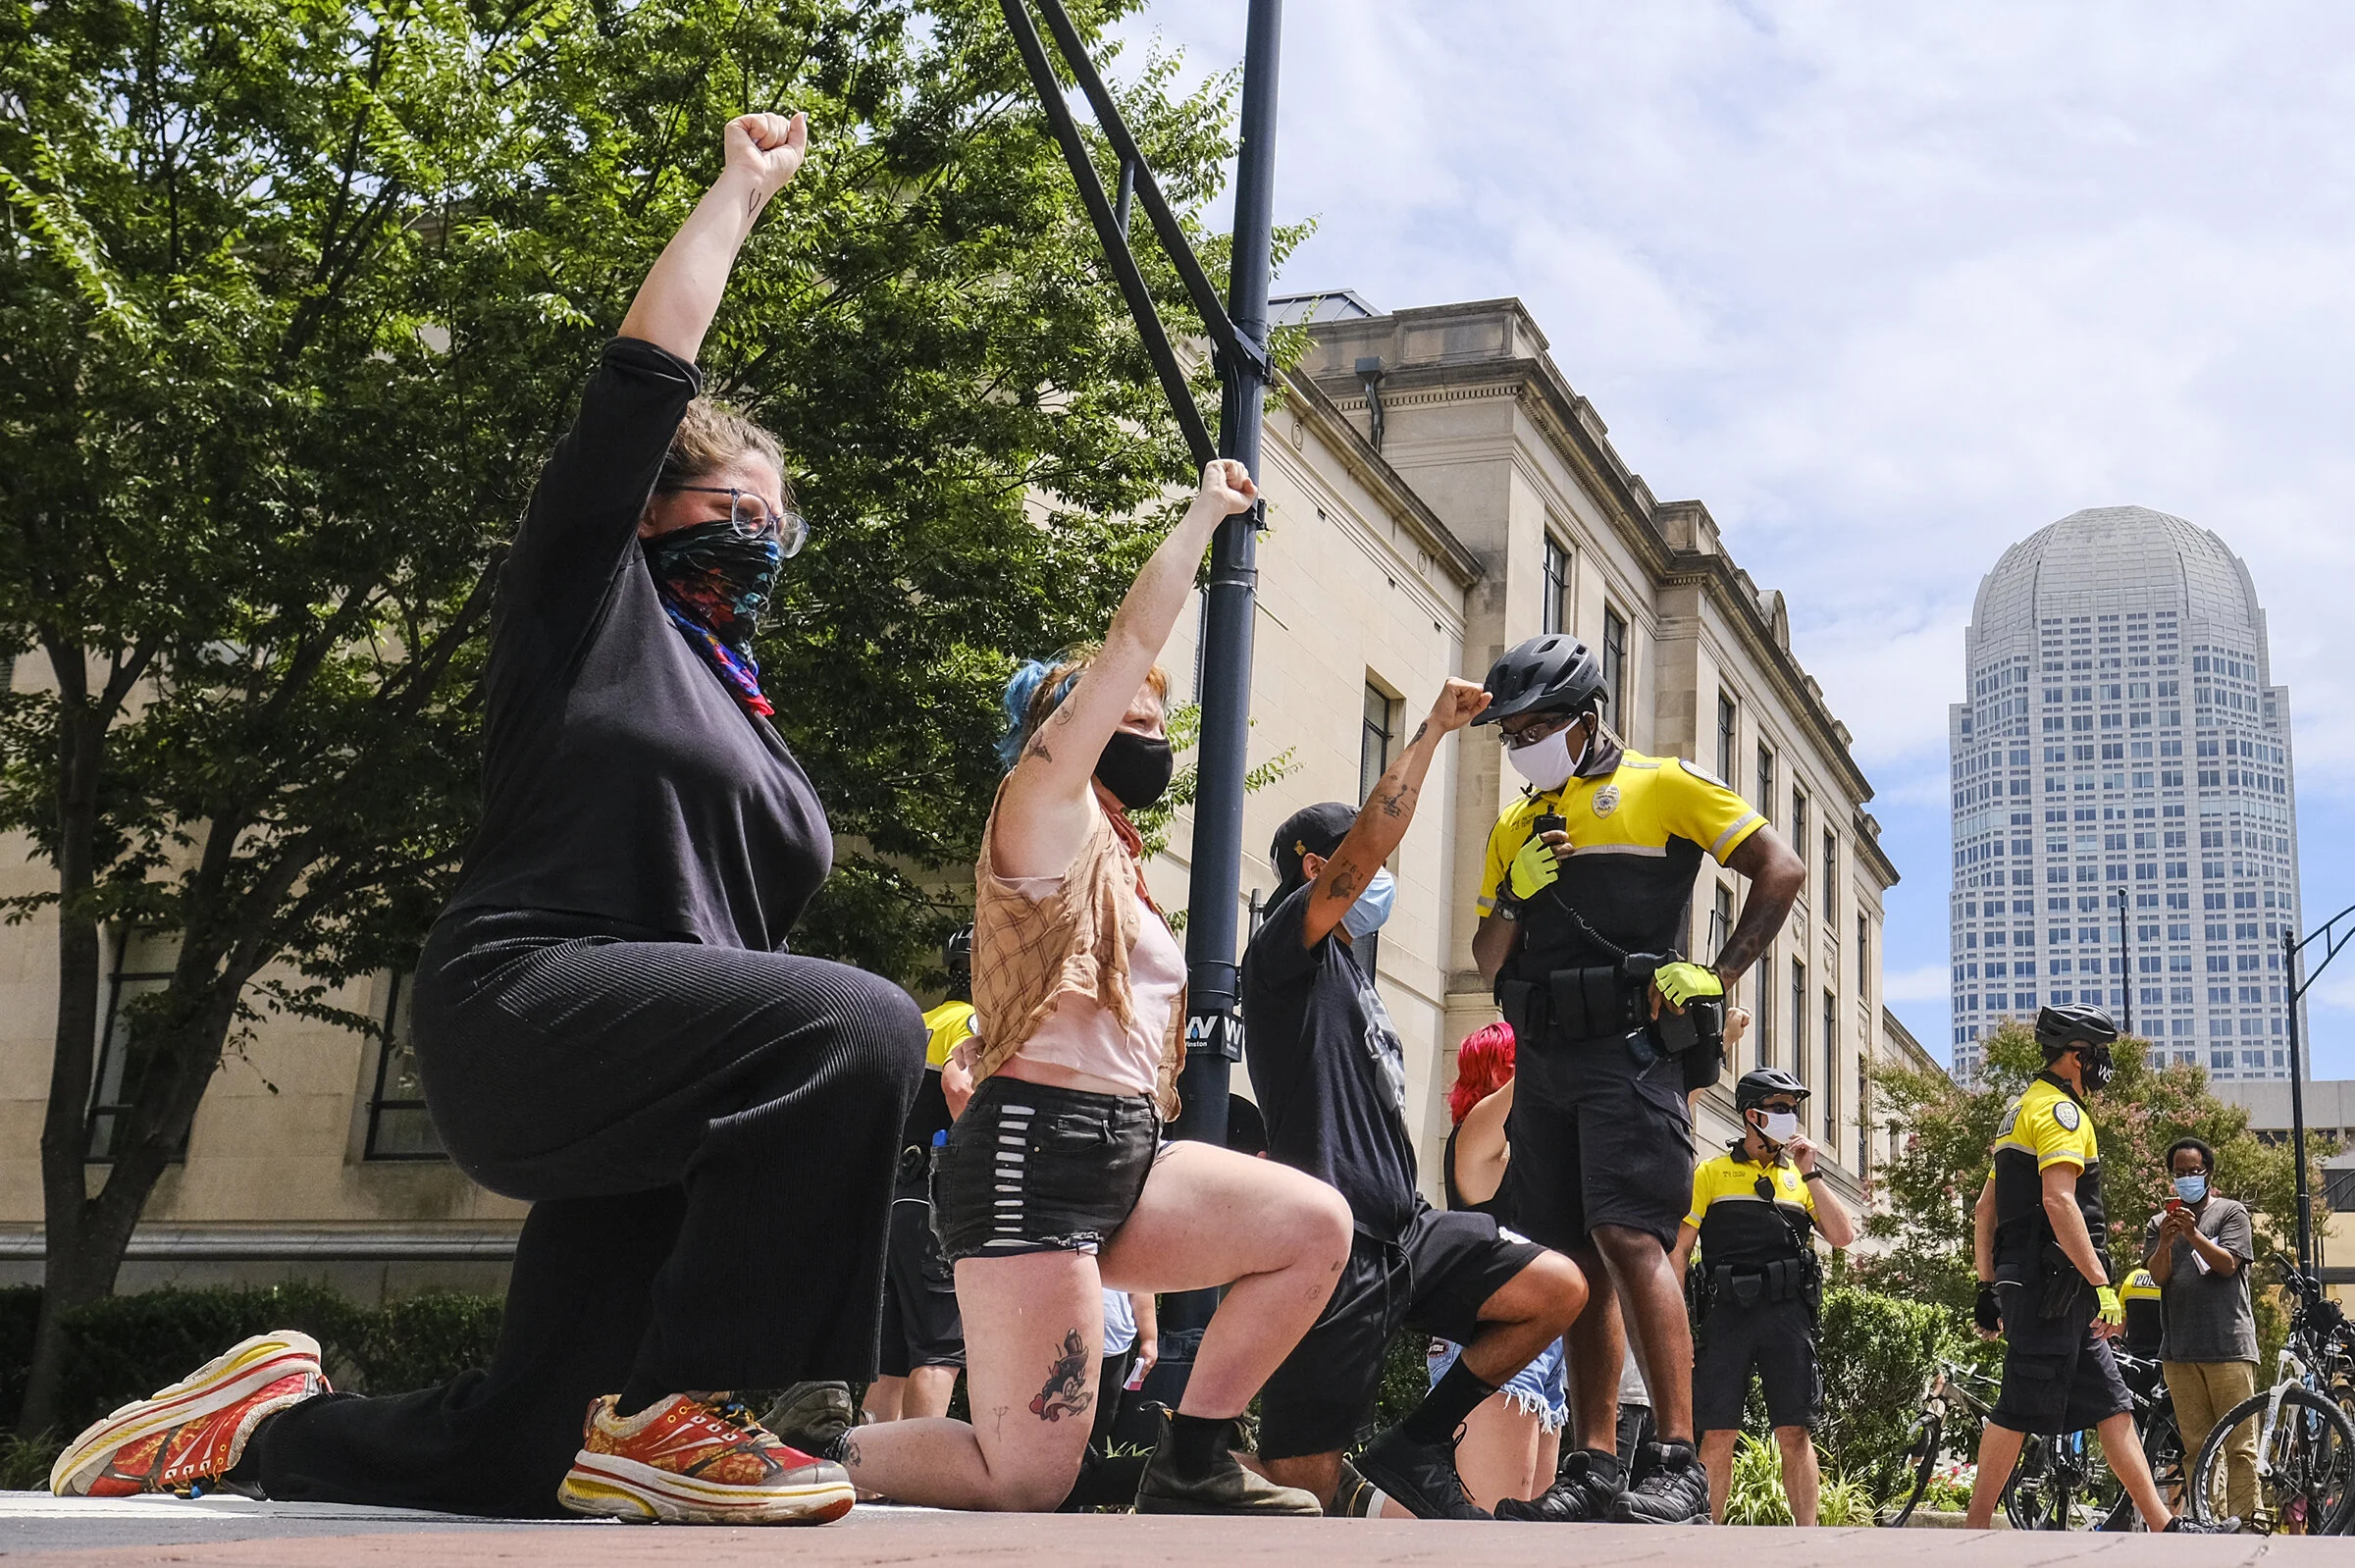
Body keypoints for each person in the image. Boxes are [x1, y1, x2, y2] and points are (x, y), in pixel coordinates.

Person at [49, 113, 931, 1526]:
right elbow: (642, 379)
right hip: (529, 1004)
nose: (765, 542)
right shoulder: (584, 607)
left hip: (665, 1083)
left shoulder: (753, 724)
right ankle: (696, 1404)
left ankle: (268, 1420)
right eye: (737, 509)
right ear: (648, 513)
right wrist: (739, 191)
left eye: (785, 530)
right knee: (861, 1016)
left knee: (524, 1455)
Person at [770, 460, 1355, 1515]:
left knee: (1313, 1224)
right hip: (1031, 1155)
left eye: (1154, 714)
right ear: (1065, 723)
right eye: (1125, 711)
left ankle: (1195, 1458)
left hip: (1124, 1148)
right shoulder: (1039, 803)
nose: (1148, 720)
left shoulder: (1118, 859)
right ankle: (792, 1451)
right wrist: (1204, 513)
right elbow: (1132, 640)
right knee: (1028, 1474)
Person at [1468, 634, 1806, 1526]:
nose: (1522, 744)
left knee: (1629, 1238)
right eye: (1510, 733)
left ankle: (1677, 1462)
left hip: (1631, 1052)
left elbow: (1782, 867)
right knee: (1570, 1264)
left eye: (1537, 726)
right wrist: (1516, 893)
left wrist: (1719, 975)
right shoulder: (1516, 826)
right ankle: (1593, 1465)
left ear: (1586, 719)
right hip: (1545, 1062)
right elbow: (1485, 958)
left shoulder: (1663, 785)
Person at [1244, 744, 1591, 1519]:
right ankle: (1155, 1475)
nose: (1380, 879)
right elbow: (1369, 845)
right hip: (1335, 1242)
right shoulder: (1282, 952)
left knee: (1557, 1288)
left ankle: (1418, 1443)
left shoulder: (1351, 972)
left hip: (1408, 1231)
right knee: (1302, 1479)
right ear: (1314, 872)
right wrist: (1433, 729)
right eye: (1359, 864)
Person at [1963, 1005, 2222, 1533]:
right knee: (2017, 1405)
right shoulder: (2062, 1113)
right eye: (2100, 1054)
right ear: (2078, 1057)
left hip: (2040, 1284)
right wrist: (2102, 1285)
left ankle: (2162, 1524)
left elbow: (1984, 1210)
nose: (2106, 1065)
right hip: (2050, 1286)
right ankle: (1975, 1529)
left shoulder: (2017, 1111)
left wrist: (1988, 1286)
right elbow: (2059, 1202)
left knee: (2111, 1403)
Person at [1672, 1068, 1856, 1526]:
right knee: (1717, 1434)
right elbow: (1679, 1254)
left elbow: (1843, 1235)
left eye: (1792, 1109)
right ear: (1751, 1115)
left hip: (1787, 1316)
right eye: (1778, 1109)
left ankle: (1806, 1542)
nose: (1788, 1117)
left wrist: (1812, 1174)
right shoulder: (1710, 1173)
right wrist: (1676, 1332)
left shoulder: (1799, 1178)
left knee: (1795, 1432)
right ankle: (1706, 1540)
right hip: (1726, 1316)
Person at [1422, 1023, 1570, 1513]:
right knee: (1491, 1516)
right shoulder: (1473, 1143)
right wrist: (1550, 1036)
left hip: (1545, 1344)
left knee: (1529, 1520)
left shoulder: (1538, 1158)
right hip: (1491, 1336)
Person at [865, 928, 977, 1425]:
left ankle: (867, 1480)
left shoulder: (920, 1020)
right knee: (939, 1349)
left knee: (889, 1360)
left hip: (893, 1201)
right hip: (937, 1201)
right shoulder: (976, 1023)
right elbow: (959, 1087)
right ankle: (919, 1481)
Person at [2145, 1136, 2259, 1528]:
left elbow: (2228, 1265)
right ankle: (2209, 1521)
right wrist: (2166, 1241)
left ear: (2209, 1173)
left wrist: (2193, 1235)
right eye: (2179, 1173)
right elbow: (2158, 1276)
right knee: (2197, 1445)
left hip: (2228, 1345)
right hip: (2179, 1350)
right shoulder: (2159, 1223)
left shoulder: (2231, 1213)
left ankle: (2246, 1521)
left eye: (2194, 1172)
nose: (2187, 1179)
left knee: (2239, 1443)